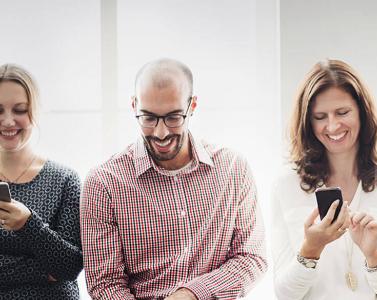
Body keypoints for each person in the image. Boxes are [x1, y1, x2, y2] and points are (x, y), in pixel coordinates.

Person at [80, 58, 267, 299]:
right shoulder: (103, 183)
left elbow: (251, 257)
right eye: (148, 118)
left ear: (192, 106)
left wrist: (192, 294)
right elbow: (105, 284)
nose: (161, 132)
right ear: (134, 105)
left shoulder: (232, 168)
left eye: (173, 117)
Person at [272, 59, 377, 300]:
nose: (332, 126)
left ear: (362, 111)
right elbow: (284, 294)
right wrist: (311, 249)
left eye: (342, 112)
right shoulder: (286, 185)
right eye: (320, 116)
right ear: (308, 122)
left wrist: (374, 256)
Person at [0, 64, 83, 299]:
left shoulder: (65, 180)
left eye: (19, 110)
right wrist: (43, 271)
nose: (8, 121)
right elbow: (57, 269)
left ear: (34, 111)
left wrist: (28, 224)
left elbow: (70, 266)